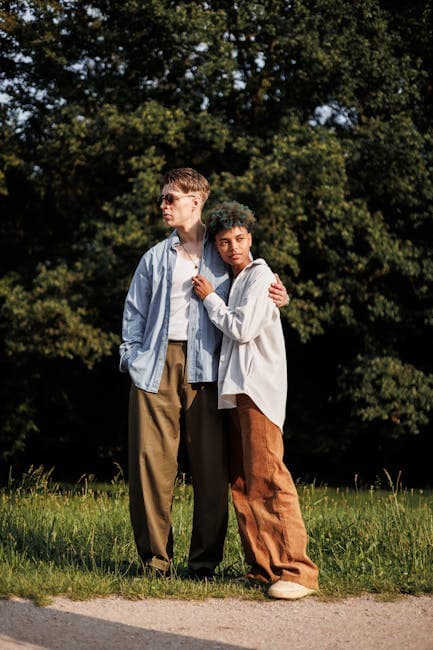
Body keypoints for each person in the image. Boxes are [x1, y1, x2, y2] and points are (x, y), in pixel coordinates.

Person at [119, 168, 289, 579]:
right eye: (163, 198)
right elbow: (134, 313)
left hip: (209, 370)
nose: (163, 205)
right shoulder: (154, 257)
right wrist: (132, 356)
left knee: (212, 470)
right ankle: (155, 563)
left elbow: (255, 288)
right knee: (150, 466)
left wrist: (281, 297)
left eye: (170, 198)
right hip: (154, 367)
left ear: (196, 201)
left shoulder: (223, 253)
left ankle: (203, 564)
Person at [192, 201, 319, 599]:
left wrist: (211, 298)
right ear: (216, 244)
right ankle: (263, 568)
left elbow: (243, 329)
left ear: (251, 238)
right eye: (225, 241)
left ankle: (298, 572)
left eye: (240, 239)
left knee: (269, 478)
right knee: (244, 482)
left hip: (258, 389)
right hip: (237, 391)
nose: (233, 247)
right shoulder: (238, 280)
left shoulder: (261, 276)